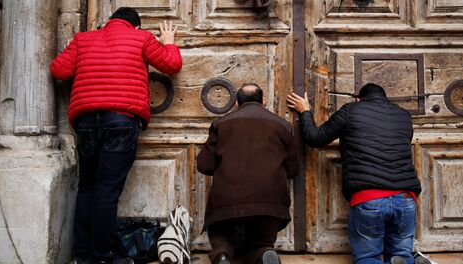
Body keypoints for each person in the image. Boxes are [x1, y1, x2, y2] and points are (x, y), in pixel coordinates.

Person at [50, 7, 182, 264]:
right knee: (107, 191)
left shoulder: (83, 39)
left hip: (87, 122)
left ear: (108, 22)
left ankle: (83, 256)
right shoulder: (141, 38)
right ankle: (102, 257)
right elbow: (172, 65)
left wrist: (72, 49)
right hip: (121, 121)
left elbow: (59, 71)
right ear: (135, 26)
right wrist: (168, 43)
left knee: (87, 188)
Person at [287, 83, 423, 264]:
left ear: (359, 99)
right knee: (401, 254)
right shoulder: (403, 116)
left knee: (368, 257)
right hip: (406, 198)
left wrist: (305, 111)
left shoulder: (351, 110)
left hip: (369, 198)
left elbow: (316, 137)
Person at [197, 84, 299, 264]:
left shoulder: (221, 124)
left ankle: (222, 254)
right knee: (260, 242)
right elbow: (293, 170)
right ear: (263, 101)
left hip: (227, 200)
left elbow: (204, 165)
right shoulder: (283, 126)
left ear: (237, 103)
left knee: (222, 236)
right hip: (270, 202)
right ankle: (264, 253)